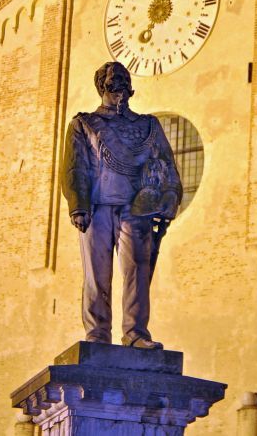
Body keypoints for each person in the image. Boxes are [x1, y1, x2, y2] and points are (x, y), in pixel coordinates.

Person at [62, 61, 182, 349]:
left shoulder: (148, 126)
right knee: (96, 275)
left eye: (124, 85)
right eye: (113, 85)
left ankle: (135, 333)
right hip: (97, 208)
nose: (120, 91)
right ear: (102, 87)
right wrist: (78, 205)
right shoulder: (84, 124)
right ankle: (98, 334)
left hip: (136, 209)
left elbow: (165, 164)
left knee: (137, 272)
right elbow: (75, 167)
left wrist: (167, 200)